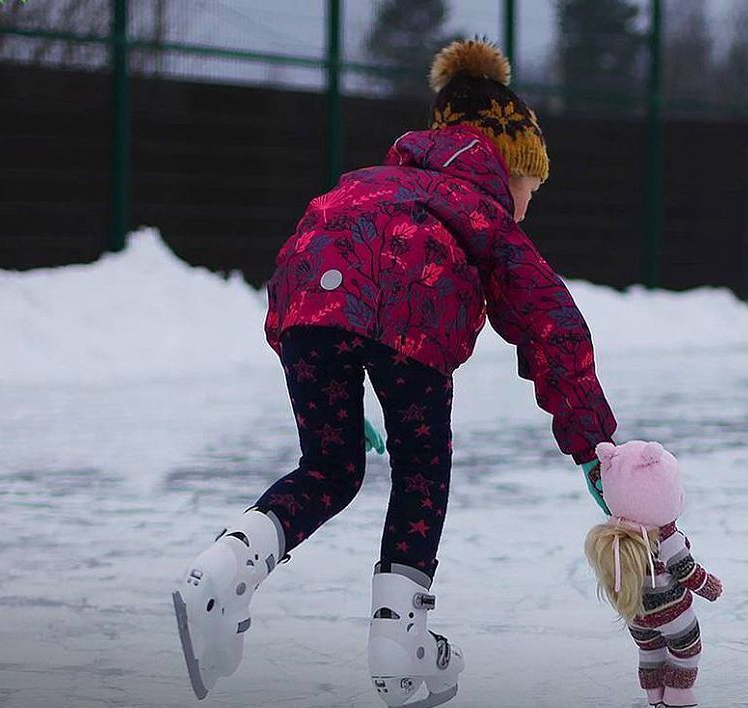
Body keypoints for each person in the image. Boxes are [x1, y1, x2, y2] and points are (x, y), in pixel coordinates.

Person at [173, 38, 617, 706]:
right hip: (410, 312)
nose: (528, 202)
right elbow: (550, 325)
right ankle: (399, 636)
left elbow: (301, 268)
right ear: (505, 166)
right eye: (530, 185)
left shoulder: (368, 183)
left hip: (308, 305)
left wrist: (322, 374)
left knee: (330, 466)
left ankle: (224, 568)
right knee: (420, 469)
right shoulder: (484, 213)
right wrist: (594, 447)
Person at [584, 441, 723, 708]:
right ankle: (678, 697)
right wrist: (710, 587)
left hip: (637, 616)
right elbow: (687, 572)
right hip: (673, 615)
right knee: (686, 649)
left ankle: (655, 697)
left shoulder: (615, 537)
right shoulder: (666, 538)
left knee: (650, 652)